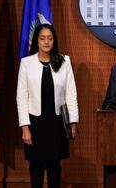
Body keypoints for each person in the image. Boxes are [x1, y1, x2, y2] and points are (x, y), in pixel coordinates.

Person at [16, 24, 79, 188]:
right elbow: (21, 97)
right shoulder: (26, 63)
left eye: (50, 38)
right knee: (36, 164)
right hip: (35, 122)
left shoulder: (64, 61)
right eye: (42, 38)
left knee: (54, 164)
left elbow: (71, 94)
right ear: (36, 41)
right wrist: (25, 128)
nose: (46, 42)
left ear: (54, 41)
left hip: (57, 121)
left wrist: (73, 123)